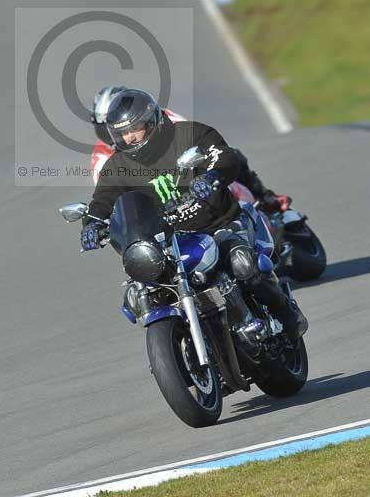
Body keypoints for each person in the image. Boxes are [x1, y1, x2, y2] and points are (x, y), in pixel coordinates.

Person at [81, 88, 308, 341]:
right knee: (144, 291)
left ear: (152, 120)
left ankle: (286, 313)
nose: (129, 138)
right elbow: (103, 199)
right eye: (121, 133)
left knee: (242, 263)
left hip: (220, 223)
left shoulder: (190, 134)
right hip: (172, 242)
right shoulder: (117, 165)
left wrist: (213, 175)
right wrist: (92, 222)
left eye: (134, 129)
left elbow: (224, 156)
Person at [90, 85, 291, 212]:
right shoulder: (102, 158)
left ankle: (265, 198)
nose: (125, 133)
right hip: (157, 204)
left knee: (230, 154)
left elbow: (189, 137)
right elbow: (112, 196)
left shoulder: (160, 116)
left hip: (186, 174)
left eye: (132, 124)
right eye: (113, 125)